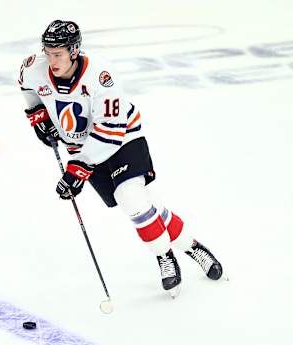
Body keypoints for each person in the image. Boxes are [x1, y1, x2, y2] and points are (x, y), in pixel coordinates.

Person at [18, 19, 223, 297]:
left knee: (131, 199)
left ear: (74, 51)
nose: (51, 59)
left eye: (58, 53)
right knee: (149, 206)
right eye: (48, 52)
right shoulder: (34, 68)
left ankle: (164, 257)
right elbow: (29, 90)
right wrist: (38, 116)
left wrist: (77, 170)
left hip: (122, 138)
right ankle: (192, 247)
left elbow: (110, 131)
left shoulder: (101, 75)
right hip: (82, 149)